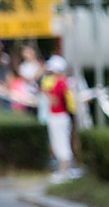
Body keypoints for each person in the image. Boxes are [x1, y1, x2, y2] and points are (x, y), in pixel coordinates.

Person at [40, 55, 74, 183]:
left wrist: (45, 93)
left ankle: (64, 170)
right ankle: (63, 170)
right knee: (59, 142)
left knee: (61, 142)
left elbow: (55, 101)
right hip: (59, 116)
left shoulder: (60, 83)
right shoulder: (63, 82)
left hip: (59, 115)